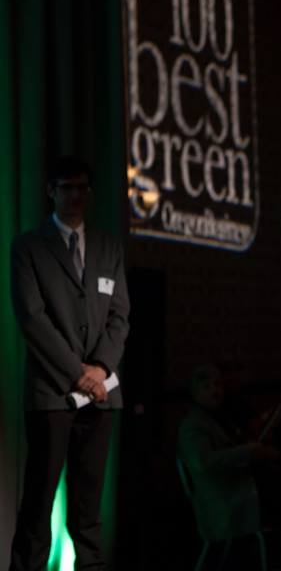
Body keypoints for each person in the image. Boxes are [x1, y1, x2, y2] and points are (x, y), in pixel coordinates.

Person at [8, 156, 130, 571]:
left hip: (102, 397)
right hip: (52, 394)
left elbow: (120, 316)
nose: (75, 195)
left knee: (88, 508)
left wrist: (100, 370)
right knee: (39, 505)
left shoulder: (109, 246)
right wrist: (78, 374)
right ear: (51, 192)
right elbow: (32, 317)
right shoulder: (27, 247)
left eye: (82, 188)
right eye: (66, 187)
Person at [177, 364, 280, 566]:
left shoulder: (215, 418)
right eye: (207, 387)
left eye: (217, 385)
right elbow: (204, 462)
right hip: (225, 503)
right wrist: (249, 451)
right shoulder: (193, 426)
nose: (215, 391)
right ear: (195, 393)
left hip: (234, 494)